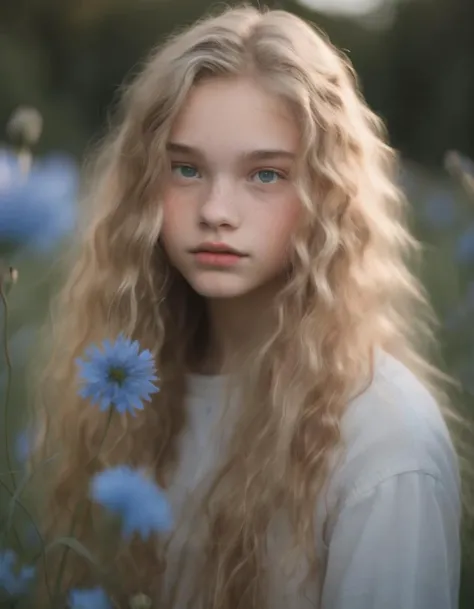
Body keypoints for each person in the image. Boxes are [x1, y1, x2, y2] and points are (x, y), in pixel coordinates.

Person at [32, 4, 464, 609]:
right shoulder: (132, 395)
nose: (216, 210)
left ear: (327, 195)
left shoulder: (384, 446)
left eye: (265, 175)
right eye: (185, 168)